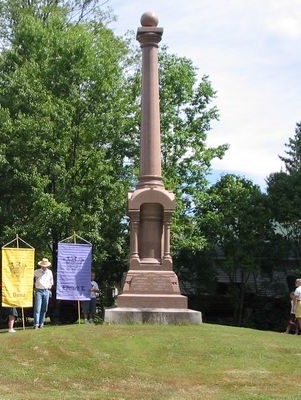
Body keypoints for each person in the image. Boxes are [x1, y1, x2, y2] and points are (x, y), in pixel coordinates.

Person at [33, 257, 53, 329]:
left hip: (46, 291)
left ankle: (41, 323)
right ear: (41, 265)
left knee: (44, 308)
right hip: (38, 290)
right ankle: (36, 324)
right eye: (43, 266)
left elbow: (51, 281)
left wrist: (49, 286)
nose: (44, 267)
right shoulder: (36, 271)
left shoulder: (49, 272)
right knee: (37, 308)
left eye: (45, 266)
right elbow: (30, 278)